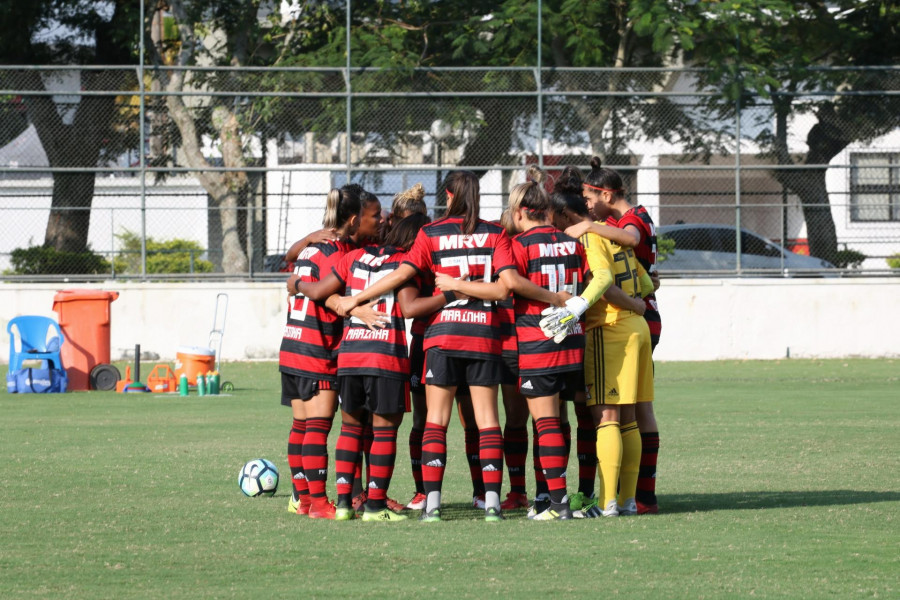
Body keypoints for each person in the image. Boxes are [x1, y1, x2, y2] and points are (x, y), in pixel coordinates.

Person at [335, 170, 567, 522]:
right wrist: (471, 286)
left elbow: (400, 276)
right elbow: (505, 288)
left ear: (447, 196)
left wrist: (357, 299)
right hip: (484, 337)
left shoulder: (431, 233)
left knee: (435, 422)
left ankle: (432, 505)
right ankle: (490, 504)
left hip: (441, 338)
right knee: (488, 420)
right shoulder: (495, 233)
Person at [540, 157, 654, 517]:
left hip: (610, 328)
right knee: (630, 419)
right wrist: (638, 304)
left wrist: (577, 306)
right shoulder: (611, 231)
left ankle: (606, 503)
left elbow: (602, 279)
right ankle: (628, 500)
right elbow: (648, 282)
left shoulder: (590, 235)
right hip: (637, 330)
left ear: (562, 217)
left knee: (606, 418)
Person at [281, 185, 382, 519]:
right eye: (373, 217)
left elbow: (292, 267)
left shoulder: (312, 248)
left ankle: (305, 500)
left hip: (292, 344)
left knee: (301, 425)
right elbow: (325, 294)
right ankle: (319, 503)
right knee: (318, 428)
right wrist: (355, 310)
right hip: (317, 348)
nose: (378, 221)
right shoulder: (337, 254)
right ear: (353, 221)